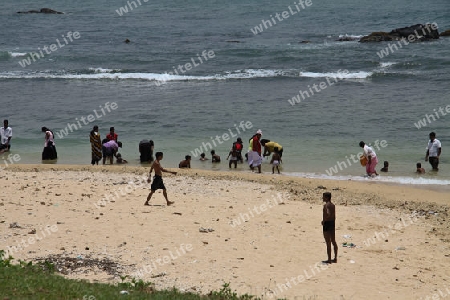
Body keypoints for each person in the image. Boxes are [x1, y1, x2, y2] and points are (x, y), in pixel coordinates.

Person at [322, 192, 338, 264]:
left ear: (327, 198)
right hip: (332, 223)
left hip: (327, 224)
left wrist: (324, 221)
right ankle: (335, 258)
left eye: (324, 197)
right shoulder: (333, 205)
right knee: (333, 241)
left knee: (328, 242)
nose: (322, 198)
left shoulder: (326, 206)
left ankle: (329, 259)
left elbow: (327, 213)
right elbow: (334, 216)